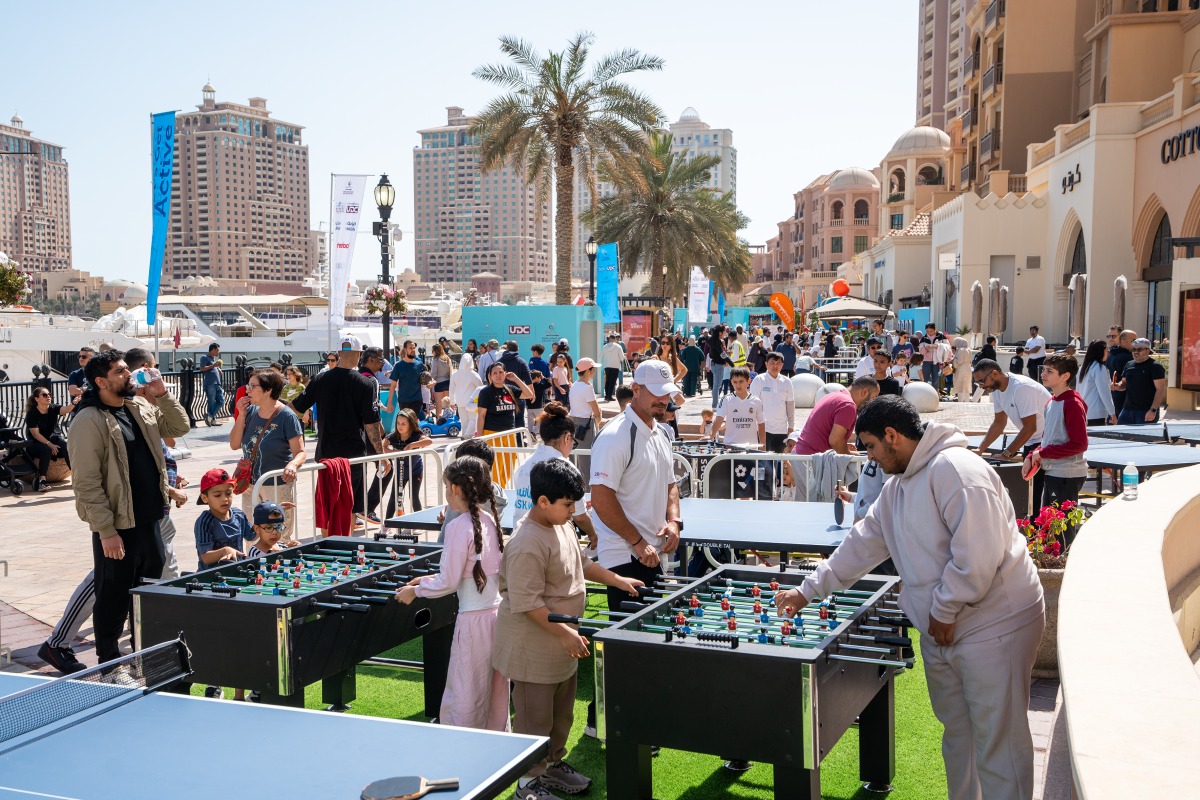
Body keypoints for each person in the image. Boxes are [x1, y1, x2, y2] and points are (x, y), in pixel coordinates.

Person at [774, 396, 1045, 800]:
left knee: (999, 744)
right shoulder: (898, 484)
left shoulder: (958, 470)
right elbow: (863, 543)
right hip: (944, 626)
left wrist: (943, 609)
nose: (868, 457)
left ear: (892, 436)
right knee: (959, 735)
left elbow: (977, 557)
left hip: (996, 622)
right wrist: (807, 590)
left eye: (869, 446)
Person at [495, 459, 644, 800]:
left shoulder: (560, 524)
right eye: (567, 504)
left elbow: (582, 562)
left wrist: (617, 579)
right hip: (533, 649)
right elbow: (527, 602)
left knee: (561, 714)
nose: (572, 511)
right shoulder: (526, 542)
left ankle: (551, 764)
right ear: (543, 501)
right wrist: (564, 633)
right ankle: (527, 783)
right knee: (534, 719)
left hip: (562, 646)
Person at [67, 350, 190, 663]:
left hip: (151, 520)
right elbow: (86, 483)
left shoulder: (137, 407)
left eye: (126, 369)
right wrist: (106, 530)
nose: (128, 375)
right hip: (118, 527)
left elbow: (179, 428)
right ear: (101, 382)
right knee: (113, 599)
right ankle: (109, 663)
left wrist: (162, 394)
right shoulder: (88, 420)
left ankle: (143, 658)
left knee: (146, 596)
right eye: (120, 372)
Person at [396, 456, 508, 731]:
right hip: (497, 618)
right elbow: (469, 573)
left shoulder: (459, 526)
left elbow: (448, 582)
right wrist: (428, 579)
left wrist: (415, 591)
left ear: (455, 489)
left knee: (467, 690)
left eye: (446, 485)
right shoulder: (490, 520)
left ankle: (465, 746)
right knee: (495, 691)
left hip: (473, 623)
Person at [291, 335, 389, 526]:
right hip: (353, 454)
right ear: (359, 355)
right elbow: (371, 424)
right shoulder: (365, 383)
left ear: (337, 354)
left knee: (329, 505)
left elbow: (297, 407)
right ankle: (349, 544)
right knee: (351, 504)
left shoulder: (320, 379)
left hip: (327, 453)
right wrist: (381, 454)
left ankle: (329, 546)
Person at [229, 368, 306, 538]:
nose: (247, 389)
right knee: (252, 532)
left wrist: (292, 464)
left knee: (278, 534)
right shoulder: (249, 412)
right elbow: (234, 444)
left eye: (253, 386)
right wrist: (241, 415)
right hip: (249, 483)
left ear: (269, 390)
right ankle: (253, 563)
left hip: (277, 484)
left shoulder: (286, 416)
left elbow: (300, 452)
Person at [511, 402, 598, 551]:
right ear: (567, 438)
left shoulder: (524, 465)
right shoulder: (565, 468)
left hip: (519, 537)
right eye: (573, 442)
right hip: (547, 542)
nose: (572, 447)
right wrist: (593, 534)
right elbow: (580, 517)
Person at [972, 358, 1050, 513]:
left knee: (1038, 495)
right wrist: (980, 449)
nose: (982, 387)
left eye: (982, 382)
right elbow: (999, 424)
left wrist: (1007, 453)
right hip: (1032, 441)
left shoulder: (1020, 388)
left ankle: (1040, 531)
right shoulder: (997, 391)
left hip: (1046, 442)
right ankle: (1033, 529)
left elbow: (1029, 427)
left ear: (994, 373)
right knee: (1030, 494)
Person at [1028, 354, 1088, 546]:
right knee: (1051, 524)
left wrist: (1042, 453)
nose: (1043, 374)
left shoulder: (1072, 403)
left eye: (1049, 371)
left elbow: (1079, 444)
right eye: (1044, 370)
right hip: (1054, 472)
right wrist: (1032, 455)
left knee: (1061, 528)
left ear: (1065, 376)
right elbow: (1048, 439)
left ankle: (1061, 568)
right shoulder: (1051, 401)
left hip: (1066, 475)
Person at [367, 409, 432, 521]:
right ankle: (387, 524)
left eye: (403, 424)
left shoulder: (416, 435)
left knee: (414, 496)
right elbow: (382, 446)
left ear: (411, 424)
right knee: (394, 497)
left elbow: (429, 441)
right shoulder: (394, 436)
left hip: (415, 470)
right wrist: (396, 453)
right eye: (398, 423)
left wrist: (412, 446)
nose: (400, 426)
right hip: (400, 471)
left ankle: (421, 522)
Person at [792, 377, 880, 456]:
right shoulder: (848, 405)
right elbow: (835, 441)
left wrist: (843, 446)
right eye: (873, 398)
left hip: (802, 455)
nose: (872, 403)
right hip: (809, 460)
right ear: (864, 392)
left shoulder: (834, 396)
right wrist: (849, 454)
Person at [194, 468, 253, 567]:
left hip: (237, 571)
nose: (225, 499)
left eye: (228, 493)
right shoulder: (205, 521)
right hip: (213, 577)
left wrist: (269, 514)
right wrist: (224, 551)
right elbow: (205, 557)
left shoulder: (239, 515)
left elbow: (254, 535)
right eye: (217, 495)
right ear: (204, 498)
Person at [24, 387, 77, 492]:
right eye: (44, 395)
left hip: (54, 438)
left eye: (49, 394)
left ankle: (77, 477)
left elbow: (66, 409)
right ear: (36, 399)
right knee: (46, 450)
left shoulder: (53, 408)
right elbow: (35, 434)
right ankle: (42, 481)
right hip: (36, 442)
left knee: (66, 446)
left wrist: (74, 403)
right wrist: (49, 444)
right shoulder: (32, 413)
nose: (48, 396)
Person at [1111, 337, 1167, 424]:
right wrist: (1117, 386)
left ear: (1148, 350)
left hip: (1145, 411)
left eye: (1139, 349)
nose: (1136, 352)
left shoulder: (1155, 367)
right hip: (1127, 410)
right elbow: (1124, 383)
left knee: (1143, 437)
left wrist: (1153, 410)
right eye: (1133, 349)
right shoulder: (1129, 364)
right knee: (1121, 436)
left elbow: (1160, 390)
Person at [750, 352, 795, 452]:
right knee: (764, 462)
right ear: (766, 364)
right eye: (772, 363)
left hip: (782, 429)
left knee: (780, 462)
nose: (775, 366)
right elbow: (752, 404)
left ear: (782, 365)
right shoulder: (759, 380)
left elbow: (790, 405)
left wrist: (791, 426)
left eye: (778, 363)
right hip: (763, 429)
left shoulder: (787, 381)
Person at [477, 361, 535, 435]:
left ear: (505, 373)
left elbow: (529, 394)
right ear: (490, 376)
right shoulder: (485, 392)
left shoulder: (511, 389)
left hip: (509, 433)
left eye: (501, 372)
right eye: (495, 373)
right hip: (492, 433)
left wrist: (516, 379)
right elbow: (481, 415)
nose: (498, 375)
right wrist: (480, 437)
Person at [713, 367, 764, 448]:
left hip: (751, 448)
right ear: (731, 382)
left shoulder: (756, 401)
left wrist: (763, 445)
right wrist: (711, 436)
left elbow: (761, 424)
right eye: (735, 382)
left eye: (741, 381)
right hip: (730, 446)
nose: (738, 385)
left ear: (748, 381)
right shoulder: (726, 399)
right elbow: (719, 419)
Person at [567, 358, 603, 451]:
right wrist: (598, 420)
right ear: (588, 371)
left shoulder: (574, 385)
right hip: (585, 424)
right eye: (593, 369)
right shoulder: (587, 388)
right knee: (586, 457)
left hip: (573, 421)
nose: (594, 372)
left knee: (575, 455)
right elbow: (596, 411)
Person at [1078, 339, 1116, 426]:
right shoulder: (1099, 368)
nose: (1108, 353)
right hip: (1096, 413)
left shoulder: (1083, 368)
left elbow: (1078, 390)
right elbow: (1104, 392)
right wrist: (1112, 412)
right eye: (1107, 351)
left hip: (1084, 411)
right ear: (1100, 352)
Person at [451, 353, 485, 439]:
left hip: (459, 401)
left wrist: (452, 401)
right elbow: (480, 387)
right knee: (473, 419)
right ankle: (468, 435)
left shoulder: (455, 375)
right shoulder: (474, 375)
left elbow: (451, 390)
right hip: (472, 401)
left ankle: (465, 435)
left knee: (464, 420)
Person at [389, 340, 426, 418]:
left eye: (414, 348)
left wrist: (430, 384)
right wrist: (389, 403)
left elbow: (425, 381)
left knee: (416, 423)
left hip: (417, 399)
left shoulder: (419, 365)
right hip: (403, 400)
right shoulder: (398, 365)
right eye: (410, 348)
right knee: (407, 424)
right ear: (405, 349)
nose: (413, 350)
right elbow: (393, 385)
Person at [1106, 328, 1135, 417]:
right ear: (1123, 341)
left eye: (1114, 336)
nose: (1111, 338)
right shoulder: (1127, 357)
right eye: (1133, 341)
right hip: (1123, 397)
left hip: (1112, 396)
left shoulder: (1111, 354)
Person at [197, 342, 225, 426]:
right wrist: (213, 366)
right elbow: (202, 368)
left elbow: (213, 367)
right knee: (211, 401)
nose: (218, 352)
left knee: (221, 401)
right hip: (210, 383)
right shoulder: (204, 357)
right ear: (212, 349)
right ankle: (212, 420)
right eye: (217, 350)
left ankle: (209, 416)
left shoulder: (213, 359)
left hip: (217, 383)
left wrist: (218, 369)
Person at [708, 324, 735, 408]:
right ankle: (715, 405)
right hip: (718, 365)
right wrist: (732, 364)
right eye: (724, 331)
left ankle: (715, 403)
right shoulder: (717, 341)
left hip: (716, 364)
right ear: (720, 333)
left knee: (717, 385)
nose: (725, 333)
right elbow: (722, 354)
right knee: (717, 386)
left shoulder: (714, 340)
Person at [524, 370, 551, 436]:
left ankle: (530, 433)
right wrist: (544, 377)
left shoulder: (527, 386)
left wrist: (527, 405)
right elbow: (549, 384)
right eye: (539, 377)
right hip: (538, 407)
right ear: (536, 378)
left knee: (530, 422)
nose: (540, 379)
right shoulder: (540, 385)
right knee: (541, 421)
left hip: (530, 407)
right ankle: (534, 432)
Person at [428, 343, 453, 412]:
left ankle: (439, 420)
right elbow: (450, 371)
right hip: (447, 382)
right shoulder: (447, 358)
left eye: (432, 351)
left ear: (435, 351)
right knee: (448, 403)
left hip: (438, 383)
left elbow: (433, 374)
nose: (432, 352)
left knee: (439, 405)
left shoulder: (435, 360)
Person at [601, 334, 625, 401]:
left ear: (609, 339)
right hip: (615, 366)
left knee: (607, 381)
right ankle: (609, 396)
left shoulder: (605, 346)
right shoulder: (618, 347)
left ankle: (606, 396)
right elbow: (622, 358)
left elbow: (601, 356)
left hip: (607, 365)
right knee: (612, 382)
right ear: (615, 339)